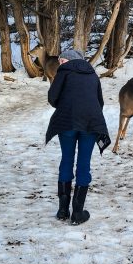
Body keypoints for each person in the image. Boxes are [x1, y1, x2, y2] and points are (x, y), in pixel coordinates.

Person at [44, 49, 111, 225]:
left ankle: (63, 210)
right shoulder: (92, 74)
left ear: (68, 61)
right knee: (84, 163)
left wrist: (66, 105)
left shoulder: (63, 73)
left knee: (66, 160)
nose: (59, 64)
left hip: (66, 122)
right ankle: (77, 212)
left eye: (61, 61)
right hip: (90, 123)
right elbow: (99, 102)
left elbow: (52, 98)